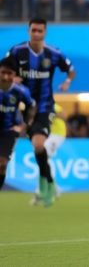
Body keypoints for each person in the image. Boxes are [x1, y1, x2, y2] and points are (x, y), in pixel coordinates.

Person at [6, 17, 75, 207]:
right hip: (26, 109)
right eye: (33, 30)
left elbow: (71, 69)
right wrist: (12, 79)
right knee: (38, 149)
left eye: (40, 31)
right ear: (28, 31)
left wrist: (67, 81)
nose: (36, 34)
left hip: (45, 107)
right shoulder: (17, 51)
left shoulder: (53, 53)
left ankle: (46, 186)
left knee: (38, 144)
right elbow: (4, 71)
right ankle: (49, 183)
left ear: (45, 32)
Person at [0, 58, 35, 192]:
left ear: (14, 75)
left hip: (8, 131)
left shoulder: (21, 91)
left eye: (9, 73)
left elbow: (32, 106)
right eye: (3, 73)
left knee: (2, 164)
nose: (5, 76)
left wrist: (25, 125)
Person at [31, 102, 65, 205]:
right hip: (48, 135)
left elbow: (63, 115)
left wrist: (50, 114)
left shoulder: (52, 105)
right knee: (44, 161)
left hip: (57, 135)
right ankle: (54, 189)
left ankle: (41, 191)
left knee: (43, 159)